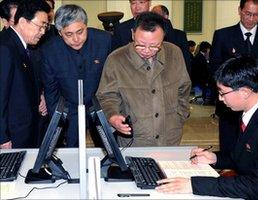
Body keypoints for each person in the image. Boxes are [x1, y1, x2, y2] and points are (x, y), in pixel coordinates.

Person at [156, 55, 258, 200]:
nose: (220, 98)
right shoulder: (252, 111)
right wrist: (215, 158)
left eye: (222, 93)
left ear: (245, 92)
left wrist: (192, 185)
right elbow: (245, 157)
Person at [97, 12, 191, 147]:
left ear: (163, 37)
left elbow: (184, 87)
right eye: (140, 45)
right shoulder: (116, 59)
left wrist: (180, 116)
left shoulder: (174, 53)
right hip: (135, 139)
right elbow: (107, 96)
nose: (147, 50)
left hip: (170, 136)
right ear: (132, 34)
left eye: (154, 46)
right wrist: (113, 116)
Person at [209, 0, 258, 152]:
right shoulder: (223, 35)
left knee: (256, 142)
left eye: (256, 15)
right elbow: (215, 69)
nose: (251, 18)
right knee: (230, 142)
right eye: (247, 13)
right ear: (240, 10)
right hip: (230, 102)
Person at [41, 4, 112, 147]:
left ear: (86, 25)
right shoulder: (50, 50)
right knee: (71, 152)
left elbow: (114, 78)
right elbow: (51, 92)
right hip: (70, 107)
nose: (76, 39)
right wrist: (58, 123)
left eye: (80, 31)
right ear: (60, 32)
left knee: (109, 149)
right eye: (69, 34)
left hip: (100, 105)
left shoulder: (104, 41)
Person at [0, 0, 50, 148]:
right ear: (22, 22)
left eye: (45, 27)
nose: (43, 32)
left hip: (25, 130)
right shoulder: (5, 48)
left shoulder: (20, 45)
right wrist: (2, 137)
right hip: (12, 134)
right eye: (40, 26)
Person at [151, 4, 191, 75]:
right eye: (151, 14)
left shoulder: (179, 35)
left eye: (156, 14)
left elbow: (186, 60)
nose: (153, 17)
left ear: (166, 16)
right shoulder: (149, 34)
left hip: (174, 76)